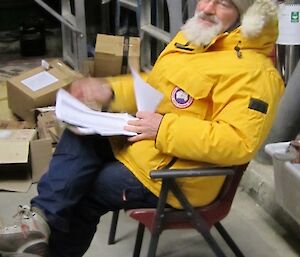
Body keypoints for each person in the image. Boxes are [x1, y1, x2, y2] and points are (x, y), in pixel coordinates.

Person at [0, 0, 284, 256]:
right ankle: (38, 220)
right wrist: (108, 91)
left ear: (246, 15)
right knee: (79, 132)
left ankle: (48, 247)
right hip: (146, 146)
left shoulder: (255, 72)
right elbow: (155, 88)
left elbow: (237, 142)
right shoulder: (195, 41)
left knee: (84, 192)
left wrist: (163, 128)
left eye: (222, 3)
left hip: (175, 177)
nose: (207, 7)